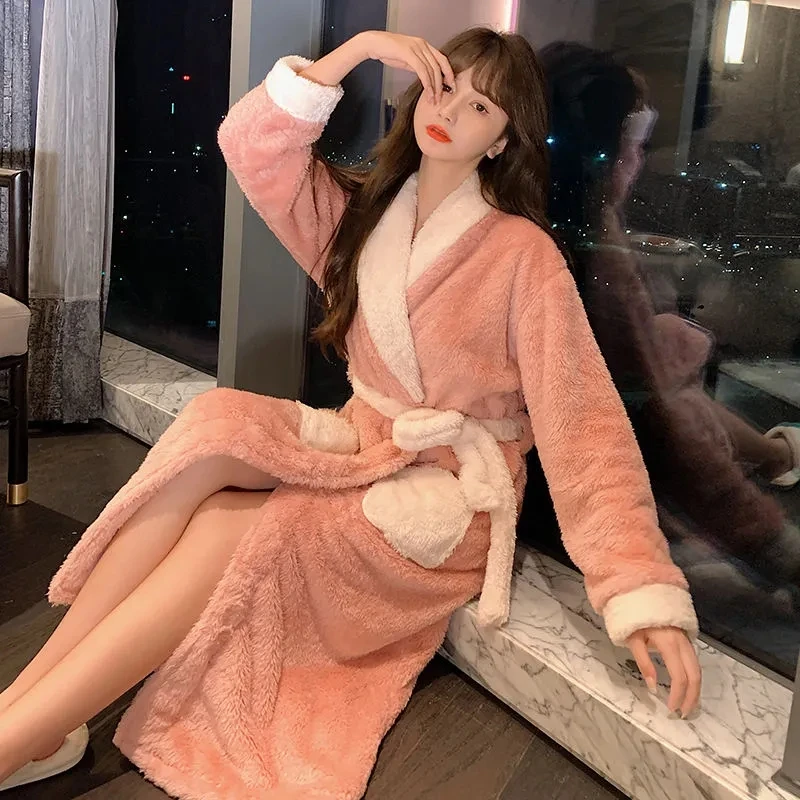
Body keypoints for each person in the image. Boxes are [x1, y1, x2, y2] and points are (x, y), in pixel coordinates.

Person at [0, 29, 701, 798]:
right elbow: (253, 149)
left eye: (480, 107)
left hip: (446, 498)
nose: (450, 113)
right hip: (369, 444)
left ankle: (13, 740)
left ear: (504, 140)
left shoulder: (523, 257)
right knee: (209, 434)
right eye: (445, 86)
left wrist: (637, 587)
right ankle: (32, 710)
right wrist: (356, 51)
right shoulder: (365, 217)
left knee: (229, 528)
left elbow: (584, 425)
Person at [529, 41, 800, 614]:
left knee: (673, 349)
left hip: (553, 482)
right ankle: (781, 457)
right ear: (603, 154)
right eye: (638, 146)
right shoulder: (583, 247)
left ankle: (781, 455)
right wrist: (774, 547)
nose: (640, 162)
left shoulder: (534, 209)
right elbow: (659, 430)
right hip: (566, 506)